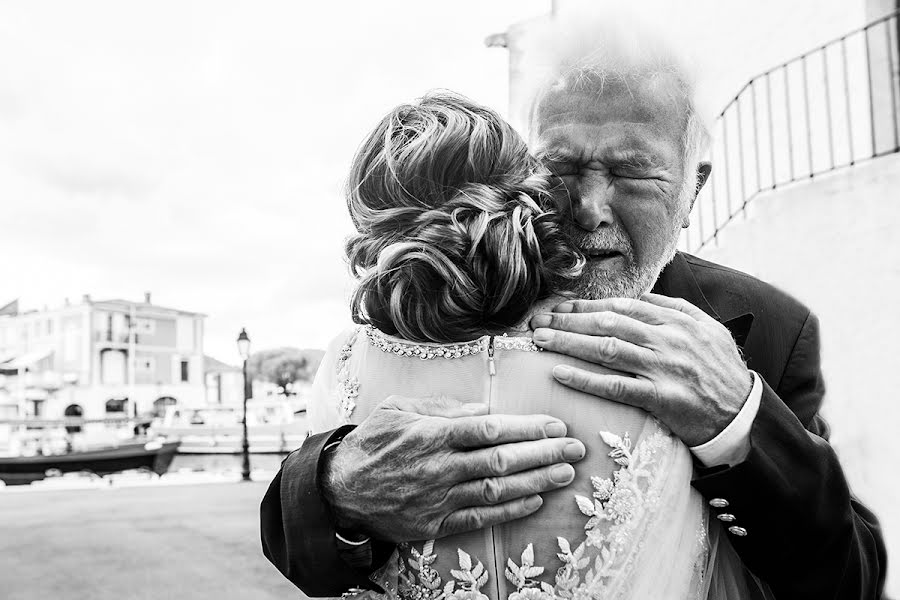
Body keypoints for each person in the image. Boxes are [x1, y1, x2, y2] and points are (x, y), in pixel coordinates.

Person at [261, 17, 887, 600]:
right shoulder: (458, 289)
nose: (588, 208)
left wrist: (737, 420)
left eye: (632, 173)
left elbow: (849, 576)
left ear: (694, 188)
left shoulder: (770, 325)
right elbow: (298, 537)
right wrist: (336, 489)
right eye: (560, 168)